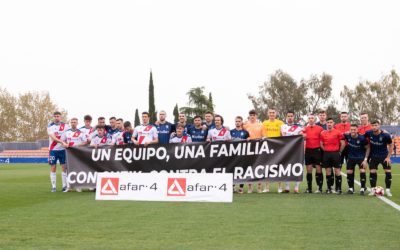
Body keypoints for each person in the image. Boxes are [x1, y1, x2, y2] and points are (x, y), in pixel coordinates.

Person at [364, 120, 394, 197]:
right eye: (373, 125)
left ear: (379, 125)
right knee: (372, 172)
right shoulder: (368, 133)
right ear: (371, 126)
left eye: (376, 125)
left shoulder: (385, 135)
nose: (374, 127)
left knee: (388, 173)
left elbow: (391, 145)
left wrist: (388, 157)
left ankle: (388, 190)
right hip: (373, 157)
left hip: (384, 156)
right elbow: (361, 137)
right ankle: (373, 190)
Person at [61, 118, 88, 192]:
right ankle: (69, 186)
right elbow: (62, 141)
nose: (73, 123)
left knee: (78, 169)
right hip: (68, 153)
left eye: (75, 122)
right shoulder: (66, 132)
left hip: (78, 153)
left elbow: (85, 142)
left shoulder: (81, 132)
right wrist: (65, 144)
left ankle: (78, 186)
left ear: (77, 123)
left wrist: (78, 145)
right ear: (70, 123)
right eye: (72, 122)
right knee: (68, 169)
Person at [320, 118, 345, 194]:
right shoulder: (323, 133)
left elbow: (343, 143)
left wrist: (339, 152)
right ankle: (329, 188)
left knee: (337, 171)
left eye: (331, 122)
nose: (329, 124)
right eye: (328, 122)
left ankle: (339, 189)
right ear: (326, 124)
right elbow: (321, 144)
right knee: (328, 171)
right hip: (326, 154)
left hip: (335, 153)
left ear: (333, 123)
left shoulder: (338, 132)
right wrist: (326, 150)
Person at [262, 108, 284, 193]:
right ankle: (266, 187)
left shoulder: (280, 123)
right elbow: (263, 135)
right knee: (266, 167)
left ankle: (280, 187)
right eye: (270, 113)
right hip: (267, 148)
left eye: (273, 113)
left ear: (276, 113)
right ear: (268, 114)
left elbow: (283, 135)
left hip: (278, 148)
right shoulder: (264, 123)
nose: (271, 114)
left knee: (279, 166)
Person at [344, 124, 370, 195]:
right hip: (351, 157)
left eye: (354, 130)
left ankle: (362, 188)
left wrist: (365, 159)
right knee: (349, 172)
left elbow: (368, 148)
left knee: (362, 171)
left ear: (357, 130)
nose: (353, 131)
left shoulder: (362, 138)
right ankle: (351, 189)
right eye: (351, 130)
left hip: (360, 158)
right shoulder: (347, 136)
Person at [280, 111, 303, 193]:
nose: (290, 117)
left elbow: (303, 137)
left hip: (297, 150)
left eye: (291, 116)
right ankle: (287, 187)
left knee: (297, 167)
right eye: (288, 116)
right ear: (286, 117)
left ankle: (296, 188)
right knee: (286, 168)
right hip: (286, 150)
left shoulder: (299, 127)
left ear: (294, 117)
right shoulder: (282, 127)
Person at [47, 111, 70, 192]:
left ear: (61, 117)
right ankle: (53, 187)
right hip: (53, 150)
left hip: (63, 150)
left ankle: (64, 186)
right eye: (55, 116)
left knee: (64, 167)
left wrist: (67, 143)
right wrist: (62, 142)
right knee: (53, 167)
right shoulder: (50, 126)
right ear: (54, 117)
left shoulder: (66, 126)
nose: (57, 118)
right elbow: (53, 137)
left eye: (58, 116)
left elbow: (69, 136)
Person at [243, 110, 264, 193]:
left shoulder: (261, 125)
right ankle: (250, 187)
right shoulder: (245, 125)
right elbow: (238, 129)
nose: (252, 116)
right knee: (249, 167)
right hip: (248, 148)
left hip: (258, 148)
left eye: (253, 115)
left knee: (259, 167)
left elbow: (264, 136)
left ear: (256, 116)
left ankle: (259, 187)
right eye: (251, 115)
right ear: (249, 116)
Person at [303, 114, 324, 193]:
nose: (311, 119)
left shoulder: (320, 128)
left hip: (317, 150)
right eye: (309, 118)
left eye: (312, 118)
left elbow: (323, 139)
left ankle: (320, 188)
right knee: (309, 169)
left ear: (315, 119)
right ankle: (309, 188)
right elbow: (301, 137)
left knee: (319, 169)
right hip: (308, 150)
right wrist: (302, 135)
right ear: (308, 120)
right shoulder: (305, 128)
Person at [230, 116, 250, 194]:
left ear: (241, 122)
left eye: (239, 121)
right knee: (233, 170)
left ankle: (241, 187)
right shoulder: (231, 131)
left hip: (243, 154)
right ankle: (232, 186)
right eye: (236, 121)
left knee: (242, 170)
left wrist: (248, 140)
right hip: (233, 154)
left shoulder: (245, 132)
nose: (237, 122)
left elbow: (249, 141)